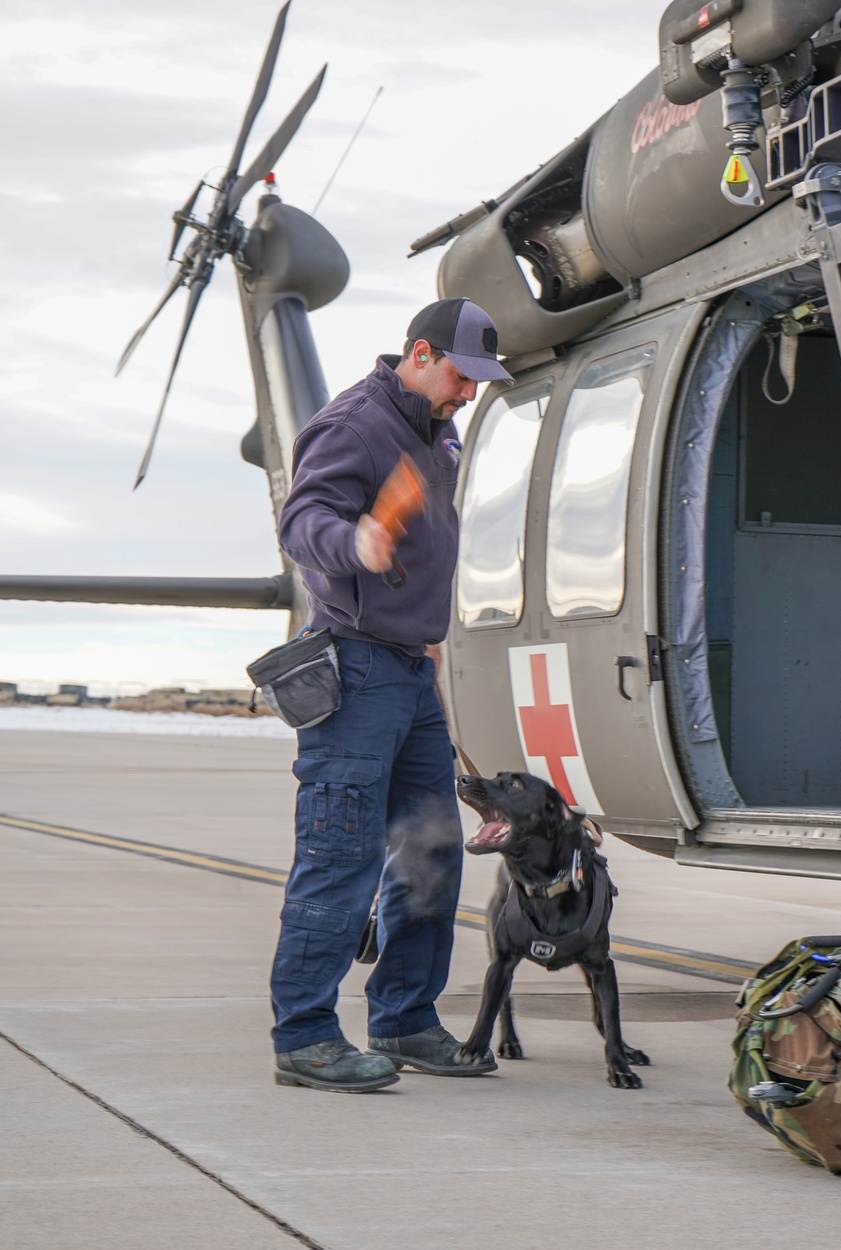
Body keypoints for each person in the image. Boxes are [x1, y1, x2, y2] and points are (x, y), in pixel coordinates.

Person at [270, 298, 513, 1092]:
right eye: (461, 376)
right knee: (341, 851)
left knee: (435, 846)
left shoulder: (433, 432)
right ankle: (304, 1036)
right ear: (419, 353)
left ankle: (405, 1017)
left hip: (411, 669)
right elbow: (302, 519)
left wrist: (429, 640)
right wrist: (353, 540)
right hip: (357, 668)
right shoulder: (355, 425)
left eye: (478, 383)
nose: (468, 394)